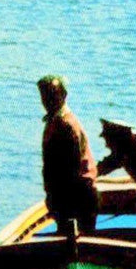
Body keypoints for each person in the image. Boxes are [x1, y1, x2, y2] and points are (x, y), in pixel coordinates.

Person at [37, 75, 97, 237]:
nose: (46, 100)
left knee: (75, 239)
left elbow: (70, 169)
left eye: (51, 94)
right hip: (69, 193)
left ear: (63, 95)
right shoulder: (55, 120)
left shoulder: (66, 125)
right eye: (44, 95)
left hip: (77, 195)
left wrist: (55, 199)